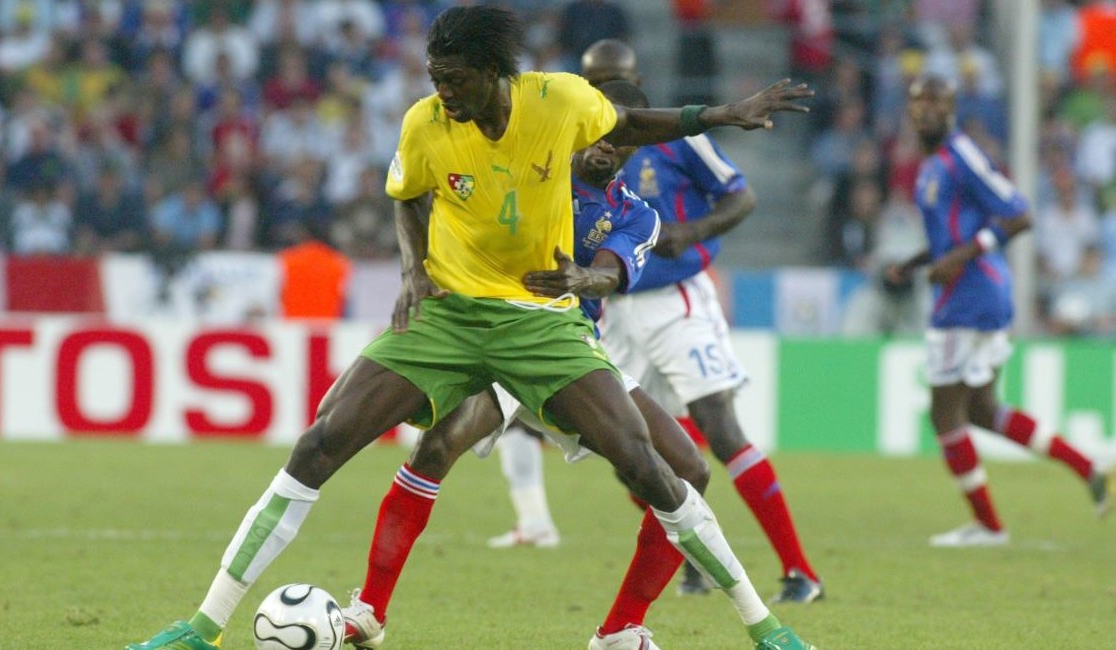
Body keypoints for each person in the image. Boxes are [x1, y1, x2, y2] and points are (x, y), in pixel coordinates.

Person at [125, 7, 816, 650]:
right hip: (450, 315)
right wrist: (412, 274)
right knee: (322, 442)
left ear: (493, 72)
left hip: (541, 326)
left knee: (656, 469)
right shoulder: (426, 123)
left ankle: (760, 628)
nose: (443, 91)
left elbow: (629, 125)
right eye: (436, 77)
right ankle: (203, 627)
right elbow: (406, 197)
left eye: (454, 79)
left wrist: (722, 114)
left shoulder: (566, 109)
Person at [339, 79, 755, 650]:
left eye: (620, 140)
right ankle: (369, 610)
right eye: (599, 134)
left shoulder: (635, 214)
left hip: (567, 352)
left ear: (635, 147)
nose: (606, 145)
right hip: (498, 333)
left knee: (690, 470)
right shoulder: (537, 168)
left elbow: (611, 272)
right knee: (437, 447)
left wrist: (587, 278)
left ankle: (621, 628)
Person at [580, 38, 823, 601]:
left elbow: (741, 197)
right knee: (625, 450)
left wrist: (691, 232)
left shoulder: (678, 137)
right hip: (612, 309)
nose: (606, 93)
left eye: (617, 81)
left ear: (638, 82)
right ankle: (691, 554)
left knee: (719, 424)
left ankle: (800, 572)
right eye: (595, 84)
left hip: (676, 301)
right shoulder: (572, 144)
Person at [886, 76, 1111, 548]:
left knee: (944, 414)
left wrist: (957, 259)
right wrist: (915, 262)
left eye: (936, 102)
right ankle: (1090, 468)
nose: (926, 111)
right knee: (983, 410)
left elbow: (1019, 214)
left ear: (951, 109)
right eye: (919, 103)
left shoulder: (961, 155)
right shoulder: (931, 165)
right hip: (970, 293)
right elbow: (952, 236)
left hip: (971, 296)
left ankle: (989, 526)